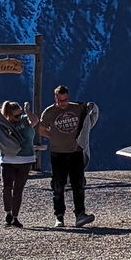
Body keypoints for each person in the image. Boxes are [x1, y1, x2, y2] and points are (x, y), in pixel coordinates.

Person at [39, 85, 95, 228]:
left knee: (78, 184)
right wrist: (53, 136)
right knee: (58, 186)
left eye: (65, 100)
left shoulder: (77, 108)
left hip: (75, 151)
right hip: (58, 153)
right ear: (55, 98)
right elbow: (40, 128)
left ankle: (80, 214)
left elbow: (91, 112)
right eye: (60, 100)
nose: (63, 103)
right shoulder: (49, 112)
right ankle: (59, 216)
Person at [0, 100, 37, 227]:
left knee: (18, 190)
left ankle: (15, 216)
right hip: (7, 159)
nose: (19, 117)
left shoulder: (25, 120)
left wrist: (27, 111)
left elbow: (35, 121)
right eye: (16, 116)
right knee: (7, 188)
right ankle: (8, 213)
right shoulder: (2, 124)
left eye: (20, 114)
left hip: (26, 159)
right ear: (8, 115)